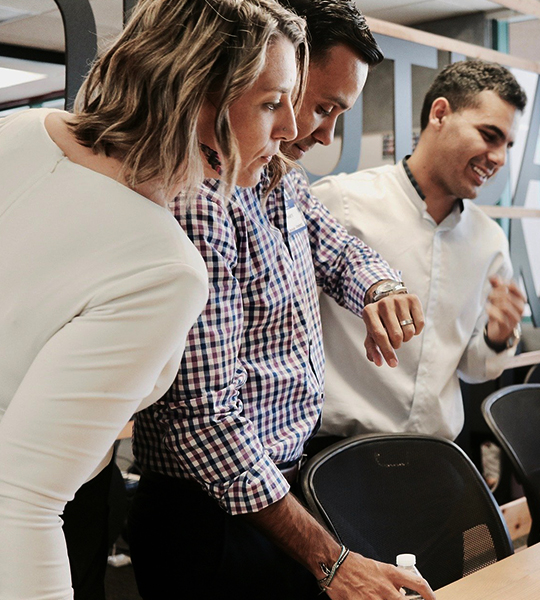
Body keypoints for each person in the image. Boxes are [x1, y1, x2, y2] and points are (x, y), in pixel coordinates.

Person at [0, 1, 307, 599]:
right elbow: (19, 502)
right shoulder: (163, 267)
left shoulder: (16, 131)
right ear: (195, 94)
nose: (292, 129)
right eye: (272, 102)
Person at [128, 2, 434, 599]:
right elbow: (205, 422)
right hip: (211, 515)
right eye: (314, 106)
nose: (312, 133)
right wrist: (331, 561)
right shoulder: (200, 199)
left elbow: (341, 250)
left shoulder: (277, 180)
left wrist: (382, 288)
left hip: (274, 491)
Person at [309, 60, 528, 445]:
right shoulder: (340, 203)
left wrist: (497, 336)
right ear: (440, 113)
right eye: (489, 135)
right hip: (335, 450)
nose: (499, 159)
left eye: (507, 146)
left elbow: (475, 367)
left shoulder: (489, 240)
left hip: (435, 455)